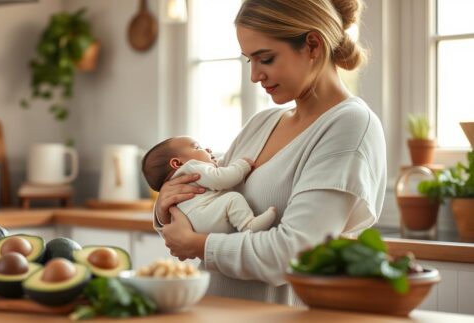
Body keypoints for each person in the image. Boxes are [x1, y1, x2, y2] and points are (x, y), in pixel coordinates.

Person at [152, 0, 387, 305]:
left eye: (265, 59)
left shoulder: (350, 126)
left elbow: (294, 253)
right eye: (249, 60)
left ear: (313, 45)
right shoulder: (263, 122)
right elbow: (207, 198)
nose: (254, 76)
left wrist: (199, 246)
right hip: (211, 309)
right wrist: (165, 206)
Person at [142, 136, 277, 234]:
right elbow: (222, 179)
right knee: (232, 198)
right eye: (197, 147)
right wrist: (241, 166)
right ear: (177, 163)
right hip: (205, 218)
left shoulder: (180, 179)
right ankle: (248, 224)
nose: (207, 148)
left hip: (196, 225)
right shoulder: (191, 167)